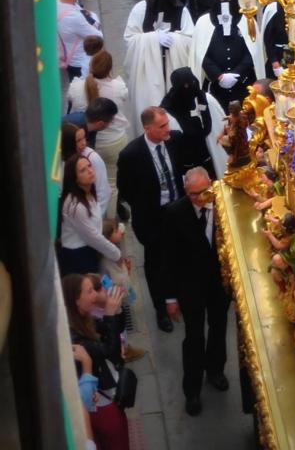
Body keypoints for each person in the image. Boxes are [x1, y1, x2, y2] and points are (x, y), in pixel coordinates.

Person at [162, 166, 231, 416]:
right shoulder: (174, 213)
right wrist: (170, 298)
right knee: (193, 338)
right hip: (189, 288)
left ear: (211, 185)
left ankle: (215, 370)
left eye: (204, 192)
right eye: (193, 194)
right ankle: (191, 391)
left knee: (219, 327)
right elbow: (167, 259)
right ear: (185, 192)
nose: (200, 198)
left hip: (219, 286)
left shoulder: (224, 207)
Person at [117, 106, 184, 332]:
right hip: (152, 218)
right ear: (148, 129)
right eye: (162, 126)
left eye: (167, 123)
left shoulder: (174, 140)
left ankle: (179, 295)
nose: (168, 129)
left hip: (177, 210)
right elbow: (124, 188)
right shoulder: (131, 154)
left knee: (179, 255)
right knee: (156, 264)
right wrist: (144, 205)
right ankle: (161, 308)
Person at [62, 273, 131, 449]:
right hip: (99, 401)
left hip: (104, 393)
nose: (95, 295)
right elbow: (110, 350)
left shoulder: (85, 318)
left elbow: (115, 330)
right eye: (90, 291)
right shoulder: (73, 335)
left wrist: (117, 309)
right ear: (76, 300)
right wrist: (109, 313)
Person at [123, 0, 195, 114]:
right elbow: (130, 39)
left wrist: (174, 39)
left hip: (174, 68)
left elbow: (190, 39)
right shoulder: (140, 10)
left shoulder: (181, 11)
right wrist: (153, 38)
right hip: (149, 71)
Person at [57, 151, 122, 276]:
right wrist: (116, 254)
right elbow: (93, 237)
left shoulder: (89, 191)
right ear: (75, 179)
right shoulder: (75, 206)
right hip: (78, 257)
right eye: (83, 170)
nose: (90, 171)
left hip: (89, 251)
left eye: (89, 166)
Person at [199, 0, 257, 104]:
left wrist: (237, 73)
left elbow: (252, 51)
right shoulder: (204, 22)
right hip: (216, 87)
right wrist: (219, 75)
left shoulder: (247, 20)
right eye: (221, 1)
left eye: (229, 1)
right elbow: (201, 53)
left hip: (244, 84)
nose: (225, 4)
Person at [57, 0, 103, 81]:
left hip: (70, 59)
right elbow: (98, 36)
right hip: (81, 64)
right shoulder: (74, 17)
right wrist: (93, 16)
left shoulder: (58, 4)